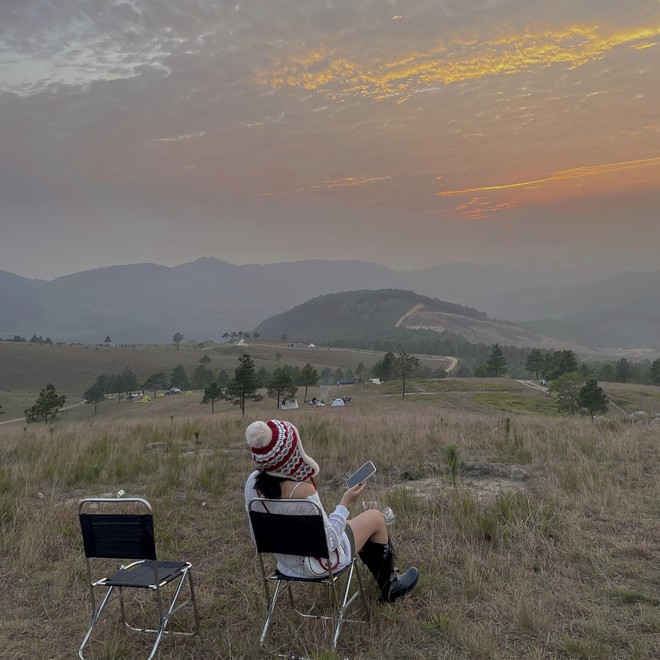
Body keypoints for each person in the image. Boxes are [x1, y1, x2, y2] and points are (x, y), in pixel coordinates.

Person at [244, 419, 419, 602]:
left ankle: (386, 577)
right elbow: (329, 544)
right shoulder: (303, 492)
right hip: (319, 564)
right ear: (291, 454)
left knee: (355, 526)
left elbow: (256, 534)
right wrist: (345, 503)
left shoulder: (252, 484)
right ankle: (390, 586)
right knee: (375, 517)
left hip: (285, 564)